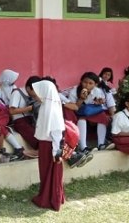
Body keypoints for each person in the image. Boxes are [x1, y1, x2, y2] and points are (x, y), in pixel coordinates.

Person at [30, 80, 66, 211]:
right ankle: (46, 195)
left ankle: (50, 198)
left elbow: (57, 132)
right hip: (46, 144)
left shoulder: (52, 109)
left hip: (51, 146)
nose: (36, 95)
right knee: (45, 172)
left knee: (51, 172)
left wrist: (56, 153)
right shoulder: (47, 106)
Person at [68, 72, 115, 152]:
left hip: (91, 111)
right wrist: (81, 99)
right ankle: (83, 146)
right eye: (85, 82)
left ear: (95, 84)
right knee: (82, 119)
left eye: (90, 83)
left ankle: (101, 144)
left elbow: (98, 103)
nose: (87, 85)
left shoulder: (97, 91)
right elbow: (73, 107)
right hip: (79, 112)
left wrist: (99, 102)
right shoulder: (75, 91)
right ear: (81, 81)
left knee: (102, 117)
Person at [10, 76, 41, 152]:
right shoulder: (17, 93)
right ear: (28, 88)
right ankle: (40, 149)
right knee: (33, 135)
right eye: (34, 91)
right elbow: (11, 111)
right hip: (20, 120)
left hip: (32, 119)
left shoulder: (33, 94)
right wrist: (29, 108)